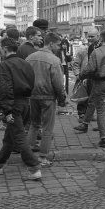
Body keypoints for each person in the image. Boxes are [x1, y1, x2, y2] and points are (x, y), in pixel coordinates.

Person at [0, 38, 42, 180]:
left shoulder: (5, 65)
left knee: (19, 137)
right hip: (26, 103)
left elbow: (4, 89)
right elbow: (32, 82)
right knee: (10, 138)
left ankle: (34, 168)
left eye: (0, 48)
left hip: (13, 105)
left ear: (5, 49)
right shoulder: (25, 63)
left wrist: (5, 111)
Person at [26, 33, 67, 166]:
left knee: (34, 124)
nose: (59, 47)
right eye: (57, 44)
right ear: (50, 44)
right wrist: (62, 99)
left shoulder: (30, 57)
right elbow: (58, 83)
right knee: (47, 128)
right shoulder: (54, 60)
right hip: (48, 96)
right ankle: (43, 157)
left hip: (32, 95)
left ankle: (28, 152)